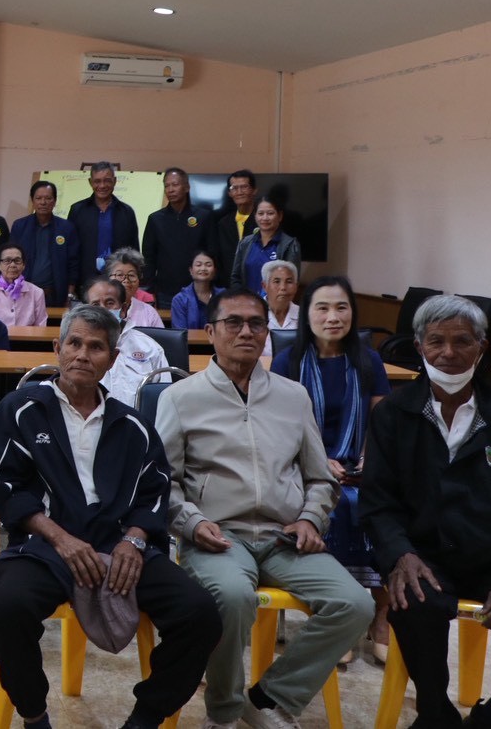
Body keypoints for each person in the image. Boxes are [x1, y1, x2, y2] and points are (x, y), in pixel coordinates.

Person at [0, 304, 221, 729]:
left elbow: (154, 491)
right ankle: (34, 715)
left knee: (200, 613)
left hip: (119, 542)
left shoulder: (132, 425)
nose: (82, 355)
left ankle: (144, 718)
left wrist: (134, 539)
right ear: (57, 349)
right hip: (44, 544)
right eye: (74, 343)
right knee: (9, 611)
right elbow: (6, 488)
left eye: (96, 347)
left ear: (112, 359)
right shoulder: (21, 409)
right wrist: (60, 539)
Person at [157, 289, 373, 729]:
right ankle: (223, 711)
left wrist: (311, 518)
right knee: (232, 597)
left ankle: (270, 697)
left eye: (257, 323)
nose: (246, 332)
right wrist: (192, 523)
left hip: (284, 537)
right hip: (217, 536)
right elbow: (162, 482)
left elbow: (321, 478)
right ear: (210, 332)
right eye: (233, 323)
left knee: (354, 604)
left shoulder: (293, 396)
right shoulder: (181, 398)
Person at [361, 295, 491, 728]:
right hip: (424, 555)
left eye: (462, 341)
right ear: (419, 346)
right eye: (436, 341)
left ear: (482, 347)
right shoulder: (392, 414)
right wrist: (401, 554)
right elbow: (378, 503)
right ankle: (435, 713)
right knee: (411, 599)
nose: (448, 353)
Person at [272, 276, 391, 666]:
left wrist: (369, 459)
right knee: (334, 504)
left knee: (382, 505)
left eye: (341, 307)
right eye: (322, 308)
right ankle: (335, 615)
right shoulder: (288, 361)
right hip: (303, 465)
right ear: (307, 315)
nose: (333, 317)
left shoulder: (369, 360)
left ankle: (382, 614)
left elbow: (380, 422)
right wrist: (319, 460)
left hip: (360, 466)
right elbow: (279, 427)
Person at [83, 279, 169, 408]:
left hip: (137, 419)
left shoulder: (150, 348)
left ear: (123, 309)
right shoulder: (78, 349)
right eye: (95, 304)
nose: (102, 310)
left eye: (109, 303)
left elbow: (165, 398)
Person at [141, 168, 210, 308]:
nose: (170, 189)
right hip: (165, 291)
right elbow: (148, 258)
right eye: (167, 186)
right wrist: (150, 288)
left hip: (198, 289)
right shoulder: (155, 219)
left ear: (187, 187)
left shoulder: (203, 217)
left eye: (175, 184)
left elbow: (212, 253)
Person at [67, 163, 140, 281]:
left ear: (114, 181)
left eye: (107, 181)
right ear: (90, 182)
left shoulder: (126, 212)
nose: (102, 185)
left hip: (118, 281)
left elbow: (134, 251)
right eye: (97, 181)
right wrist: (71, 282)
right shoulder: (77, 210)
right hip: (85, 281)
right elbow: (70, 250)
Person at [231, 195, 301, 298]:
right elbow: (236, 277)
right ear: (255, 216)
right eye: (260, 213)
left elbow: (291, 281)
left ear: (280, 216)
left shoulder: (290, 245)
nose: (265, 218)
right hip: (247, 303)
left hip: (275, 303)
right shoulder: (245, 243)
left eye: (270, 213)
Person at [208, 170, 259, 283]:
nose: (239, 192)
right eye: (234, 188)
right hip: (229, 285)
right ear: (229, 193)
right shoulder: (223, 223)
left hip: (258, 283)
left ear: (254, 190)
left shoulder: (263, 220)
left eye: (244, 187)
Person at [0, 243, 48, 329]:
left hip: (27, 337)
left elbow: (41, 326)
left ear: (23, 265)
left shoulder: (37, 292)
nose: (12, 265)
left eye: (17, 261)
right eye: (7, 260)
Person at [106, 249, 164, 329]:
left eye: (131, 275)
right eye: (119, 275)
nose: (126, 280)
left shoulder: (149, 312)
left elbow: (159, 336)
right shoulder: (99, 308)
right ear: (108, 279)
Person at [170, 249, 224, 330]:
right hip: (189, 339)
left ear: (214, 271)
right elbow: (180, 332)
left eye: (208, 265)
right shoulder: (180, 300)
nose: (203, 268)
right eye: (198, 265)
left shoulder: (223, 296)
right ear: (191, 270)